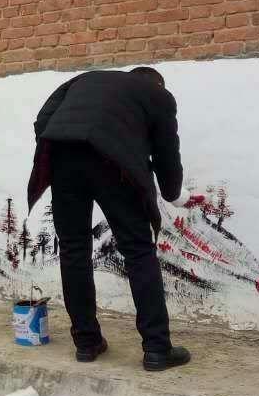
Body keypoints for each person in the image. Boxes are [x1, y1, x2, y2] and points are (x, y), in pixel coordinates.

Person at [26, 66, 191, 371]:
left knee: (74, 250)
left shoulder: (85, 79)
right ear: (156, 84)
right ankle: (157, 349)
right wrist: (172, 193)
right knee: (139, 251)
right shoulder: (158, 95)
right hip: (113, 165)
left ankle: (86, 342)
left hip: (62, 158)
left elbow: (43, 120)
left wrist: (67, 149)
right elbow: (167, 152)